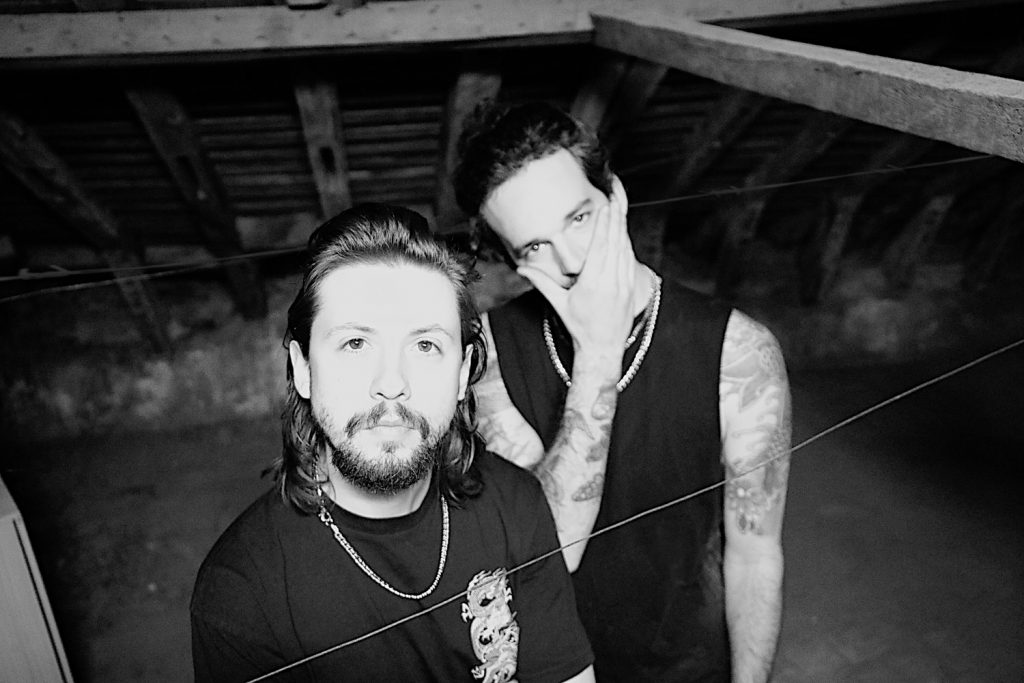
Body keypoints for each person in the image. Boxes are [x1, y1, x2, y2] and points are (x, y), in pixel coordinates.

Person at [453, 103, 792, 682]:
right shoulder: (487, 354)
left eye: (579, 218)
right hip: (554, 668)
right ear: (511, 262)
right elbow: (551, 552)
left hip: (686, 662)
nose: (572, 261)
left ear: (616, 196)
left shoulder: (741, 352)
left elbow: (755, 553)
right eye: (534, 247)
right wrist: (598, 351)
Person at [190, 204, 596, 683]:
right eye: (355, 343)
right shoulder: (240, 594)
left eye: (425, 345)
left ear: (463, 374)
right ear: (303, 369)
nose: (391, 383)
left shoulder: (516, 504)